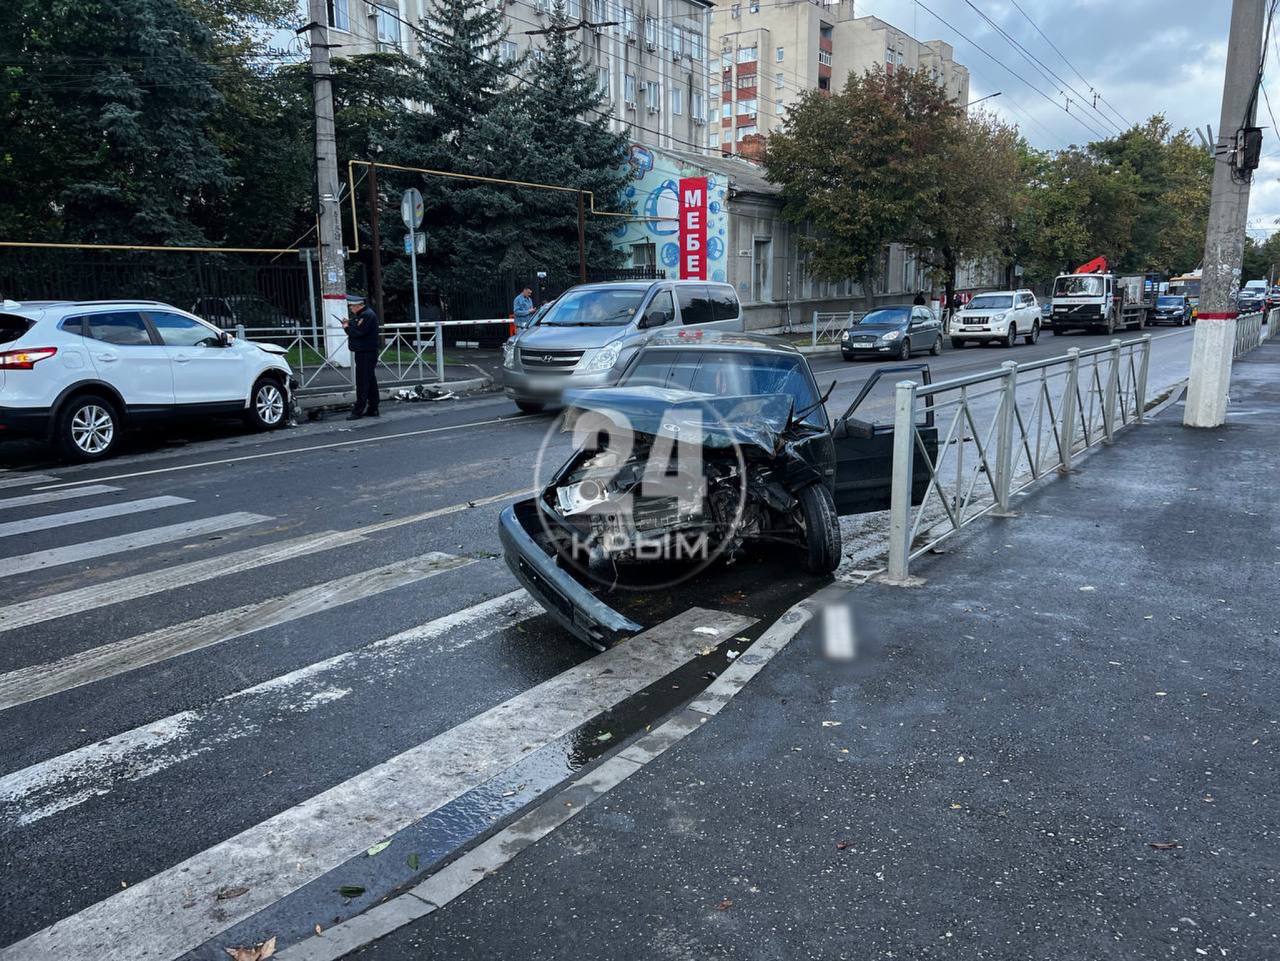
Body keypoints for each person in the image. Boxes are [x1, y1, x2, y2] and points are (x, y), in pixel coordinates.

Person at [342, 292, 380, 420]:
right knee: (370, 380)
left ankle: (358, 411)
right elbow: (357, 325)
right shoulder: (363, 314)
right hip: (366, 352)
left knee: (362, 382)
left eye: (351, 307)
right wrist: (349, 323)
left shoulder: (367, 315)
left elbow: (358, 332)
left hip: (366, 353)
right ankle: (373, 408)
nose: (351, 309)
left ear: (357, 305)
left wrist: (346, 327)